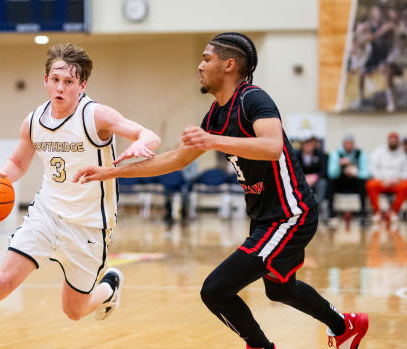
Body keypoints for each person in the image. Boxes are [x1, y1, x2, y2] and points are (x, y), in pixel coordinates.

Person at [73, 32, 368, 349]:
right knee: (280, 289)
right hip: (265, 219)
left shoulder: (253, 99)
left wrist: (212, 141)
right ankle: (345, 326)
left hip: (290, 216)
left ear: (229, 65)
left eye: (206, 58)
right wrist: (110, 171)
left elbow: (271, 146)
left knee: (215, 289)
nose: (199, 66)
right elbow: (175, 159)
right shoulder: (215, 113)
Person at [0, 43, 161, 349]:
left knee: (74, 311)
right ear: (45, 80)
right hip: (47, 215)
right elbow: (17, 163)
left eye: (68, 81)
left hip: (89, 225)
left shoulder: (96, 116)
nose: (60, 87)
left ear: (82, 85)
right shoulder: (35, 120)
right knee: (1, 283)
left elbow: (149, 134)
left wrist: (142, 144)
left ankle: (108, 290)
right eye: (55, 79)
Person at [326, 134, 370, 226]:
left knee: (363, 183)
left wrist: (354, 172)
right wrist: (339, 164)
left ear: (353, 144)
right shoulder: (336, 154)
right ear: (343, 144)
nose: (348, 145)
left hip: (354, 182)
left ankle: (363, 214)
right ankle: (332, 215)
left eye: (350, 143)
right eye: (346, 143)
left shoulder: (360, 153)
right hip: (340, 183)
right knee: (330, 183)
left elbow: (367, 173)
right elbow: (331, 174)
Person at [366, 131, 407, 222]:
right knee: (370, 185)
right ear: (388, 140)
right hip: (381, 181)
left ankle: (393, 212)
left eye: (395, 140)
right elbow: (372, 168)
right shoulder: (378, 151)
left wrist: (397, 180)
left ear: (398, 142)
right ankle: (377, 212)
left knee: (405, 185)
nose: (393, 142)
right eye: (391, 140)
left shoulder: (403, 155)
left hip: (396, 183)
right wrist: (383, 180)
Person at [294, 134, 327, 209]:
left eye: (311, 144)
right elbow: (294, 170)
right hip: (301, 180)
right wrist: (303, 178)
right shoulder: (296, 155)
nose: (309, 146)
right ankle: (298, 207)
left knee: (323, 183)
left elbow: (323, 170)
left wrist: (315, 177)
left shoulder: (320, 154)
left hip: (315, 180)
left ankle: (318, 207)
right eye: (307, 144)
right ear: (302, 145)